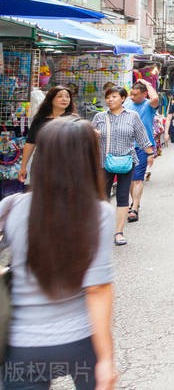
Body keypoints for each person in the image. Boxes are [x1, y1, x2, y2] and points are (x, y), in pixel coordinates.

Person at [0, 117, 117, 390]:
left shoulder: (12, 206)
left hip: (24, 347)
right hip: (79, 344)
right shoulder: (99, 213)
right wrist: (107, 359)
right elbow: (97, 289)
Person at [93, 87, 153, 245]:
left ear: (123, 98)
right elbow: (88, 139)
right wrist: (92, 135)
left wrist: (150, 154)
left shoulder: (132, 116)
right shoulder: (99, 117)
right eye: (108, 97)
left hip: (127, 161)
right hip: (103, 162)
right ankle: (102, 230)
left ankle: (118, 232)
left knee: (122, 196)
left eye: (114, 96)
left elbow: (142, 137)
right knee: (102, 197)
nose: (110, 100)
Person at [18, 84, 77, 183]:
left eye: (67, 97)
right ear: (51, 99)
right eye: (60, 96)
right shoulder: (39, 120)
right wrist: (23, 167)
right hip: (41, 165)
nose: (64, 99)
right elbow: (30, 143)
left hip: (66, 166)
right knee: (41, 195)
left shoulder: (74, 119)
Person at [125, 82, 160, 221]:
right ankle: (134, 202)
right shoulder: (127, 103)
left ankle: (134, 207)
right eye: (131, 94)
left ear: (144, 94)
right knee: (129, 179)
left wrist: (147, 83)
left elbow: (155, 98)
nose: (132, 97)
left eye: (135, 94)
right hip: (126, 145)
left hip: (143, 146)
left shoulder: (149, 105)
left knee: (138, 178)